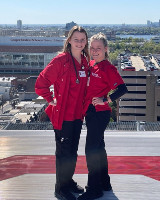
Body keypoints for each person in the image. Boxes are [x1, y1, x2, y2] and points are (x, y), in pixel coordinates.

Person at [35, 26, 89, 200]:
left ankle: (68, 181)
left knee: (72, 152)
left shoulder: (85, 61)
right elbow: (41, 82)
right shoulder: (61, 61)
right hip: (63, 116)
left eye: (82, 39)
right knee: (63, 153)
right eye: (76, 39)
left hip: (77, 116)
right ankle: (60, 188)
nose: (79, 43)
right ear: (69, 41)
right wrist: (50, 99)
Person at [78, 33, 128, 200]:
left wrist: (105, 99)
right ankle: (105, 183)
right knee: (99, 148)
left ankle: (94, 189)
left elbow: (122, 89)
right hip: (90, 112)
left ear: (106, 49)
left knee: (91, 149)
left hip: (100, 113)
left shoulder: (108, 68)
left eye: (98, 48)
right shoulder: (92, 64)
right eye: (92, 48)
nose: (94, 51)